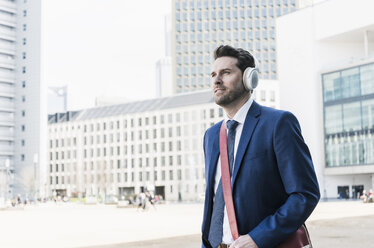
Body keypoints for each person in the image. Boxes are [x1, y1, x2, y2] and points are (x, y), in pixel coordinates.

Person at [201, 45, 320, 248]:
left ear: (250, 78)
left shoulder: (278, 123)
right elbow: (215, 201)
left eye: (226, 73)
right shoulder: (211, 136)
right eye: (213, 74)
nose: (217, 80)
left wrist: (259, 237)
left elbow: (305, 194)